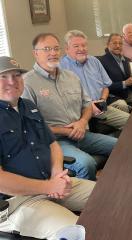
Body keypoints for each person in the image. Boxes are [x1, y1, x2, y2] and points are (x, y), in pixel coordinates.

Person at [0, 56, 95, 239]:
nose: (12, 81)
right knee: (81, 233)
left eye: (17, 75)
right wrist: (48, 186)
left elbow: (52, 144)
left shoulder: (28, 106)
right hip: (15, 202)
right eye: (3, 76)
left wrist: (56, 175)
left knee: (113, 199)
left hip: (50, 184)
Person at [23, 33, 117, 180]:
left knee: (120, 146)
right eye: (47, 49)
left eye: (56, 48)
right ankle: (90, 199)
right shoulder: (27, 83)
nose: (53, 53)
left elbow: (87, 104)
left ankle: (116, 185)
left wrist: (82, 122)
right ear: (36, 53)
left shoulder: (71, 77)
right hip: (54, 142)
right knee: (86, 164)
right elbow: (30, 126)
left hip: (81, 134)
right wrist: (65, 131)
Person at [59, 30, 130, 132]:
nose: (81, 49)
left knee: (129, 118)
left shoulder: (94, 61)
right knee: (129, 122)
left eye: (84, 45)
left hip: (100, 105)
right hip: (80, 112)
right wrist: (88, 107)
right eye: (76, 46)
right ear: (66, 49)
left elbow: (105, 86)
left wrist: (102, 100)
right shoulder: (60, 68)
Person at [98, 33, 132, 110]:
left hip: (129, 93)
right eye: (114, 43)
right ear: (108, 44)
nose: (118, 46)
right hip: (115, 96)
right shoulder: (101, 62)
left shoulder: (127, 60)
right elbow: (103, 86)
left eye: (120, 43)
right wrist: (124, 83)